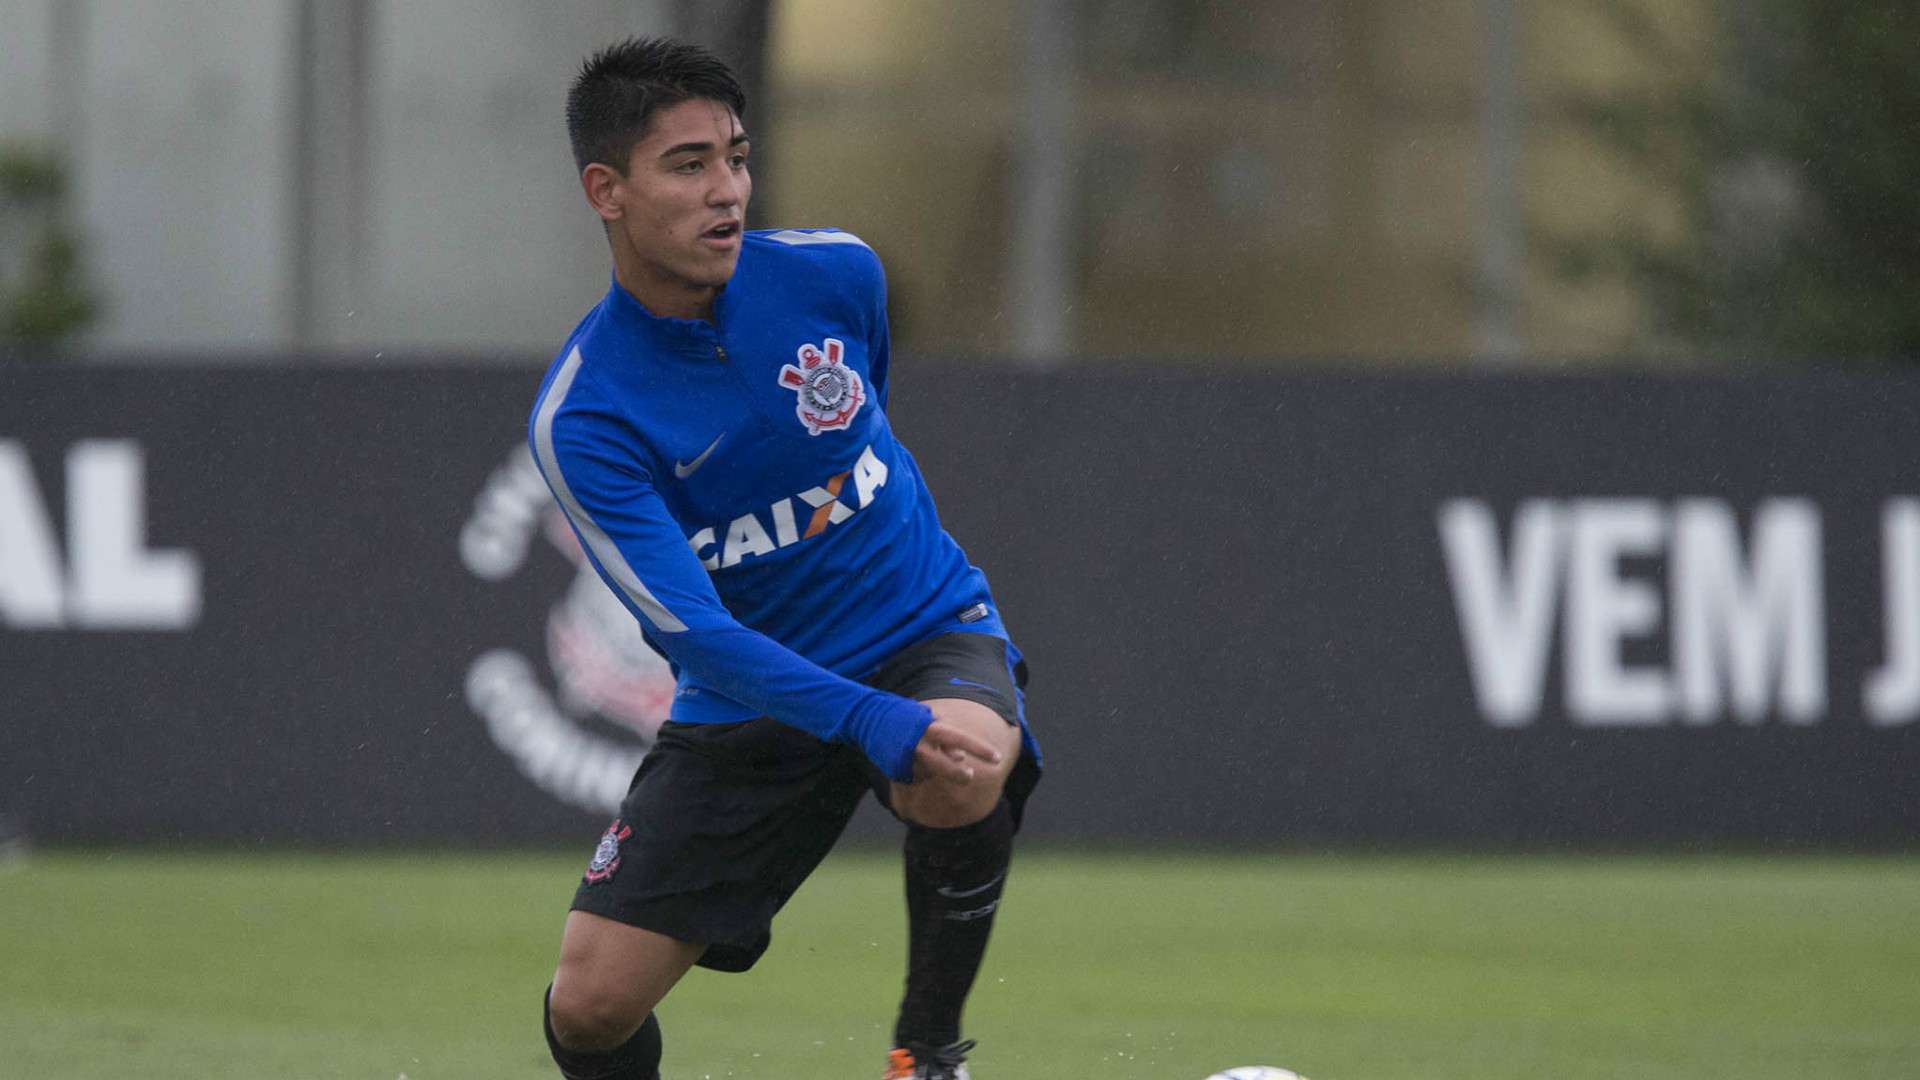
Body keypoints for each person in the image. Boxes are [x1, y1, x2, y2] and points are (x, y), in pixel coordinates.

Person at [529, 37, 1042, 1080]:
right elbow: (695, 636)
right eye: (688, 166)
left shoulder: (836, 273)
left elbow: (866, 433)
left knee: (966, 766)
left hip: (920, 631)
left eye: (737, 156)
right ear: (606, 190)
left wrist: (897, 704)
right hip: (749, 692)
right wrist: (863, 720)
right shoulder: (586, 415)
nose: (728, 191)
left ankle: (927, 1056)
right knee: (588, 1009)